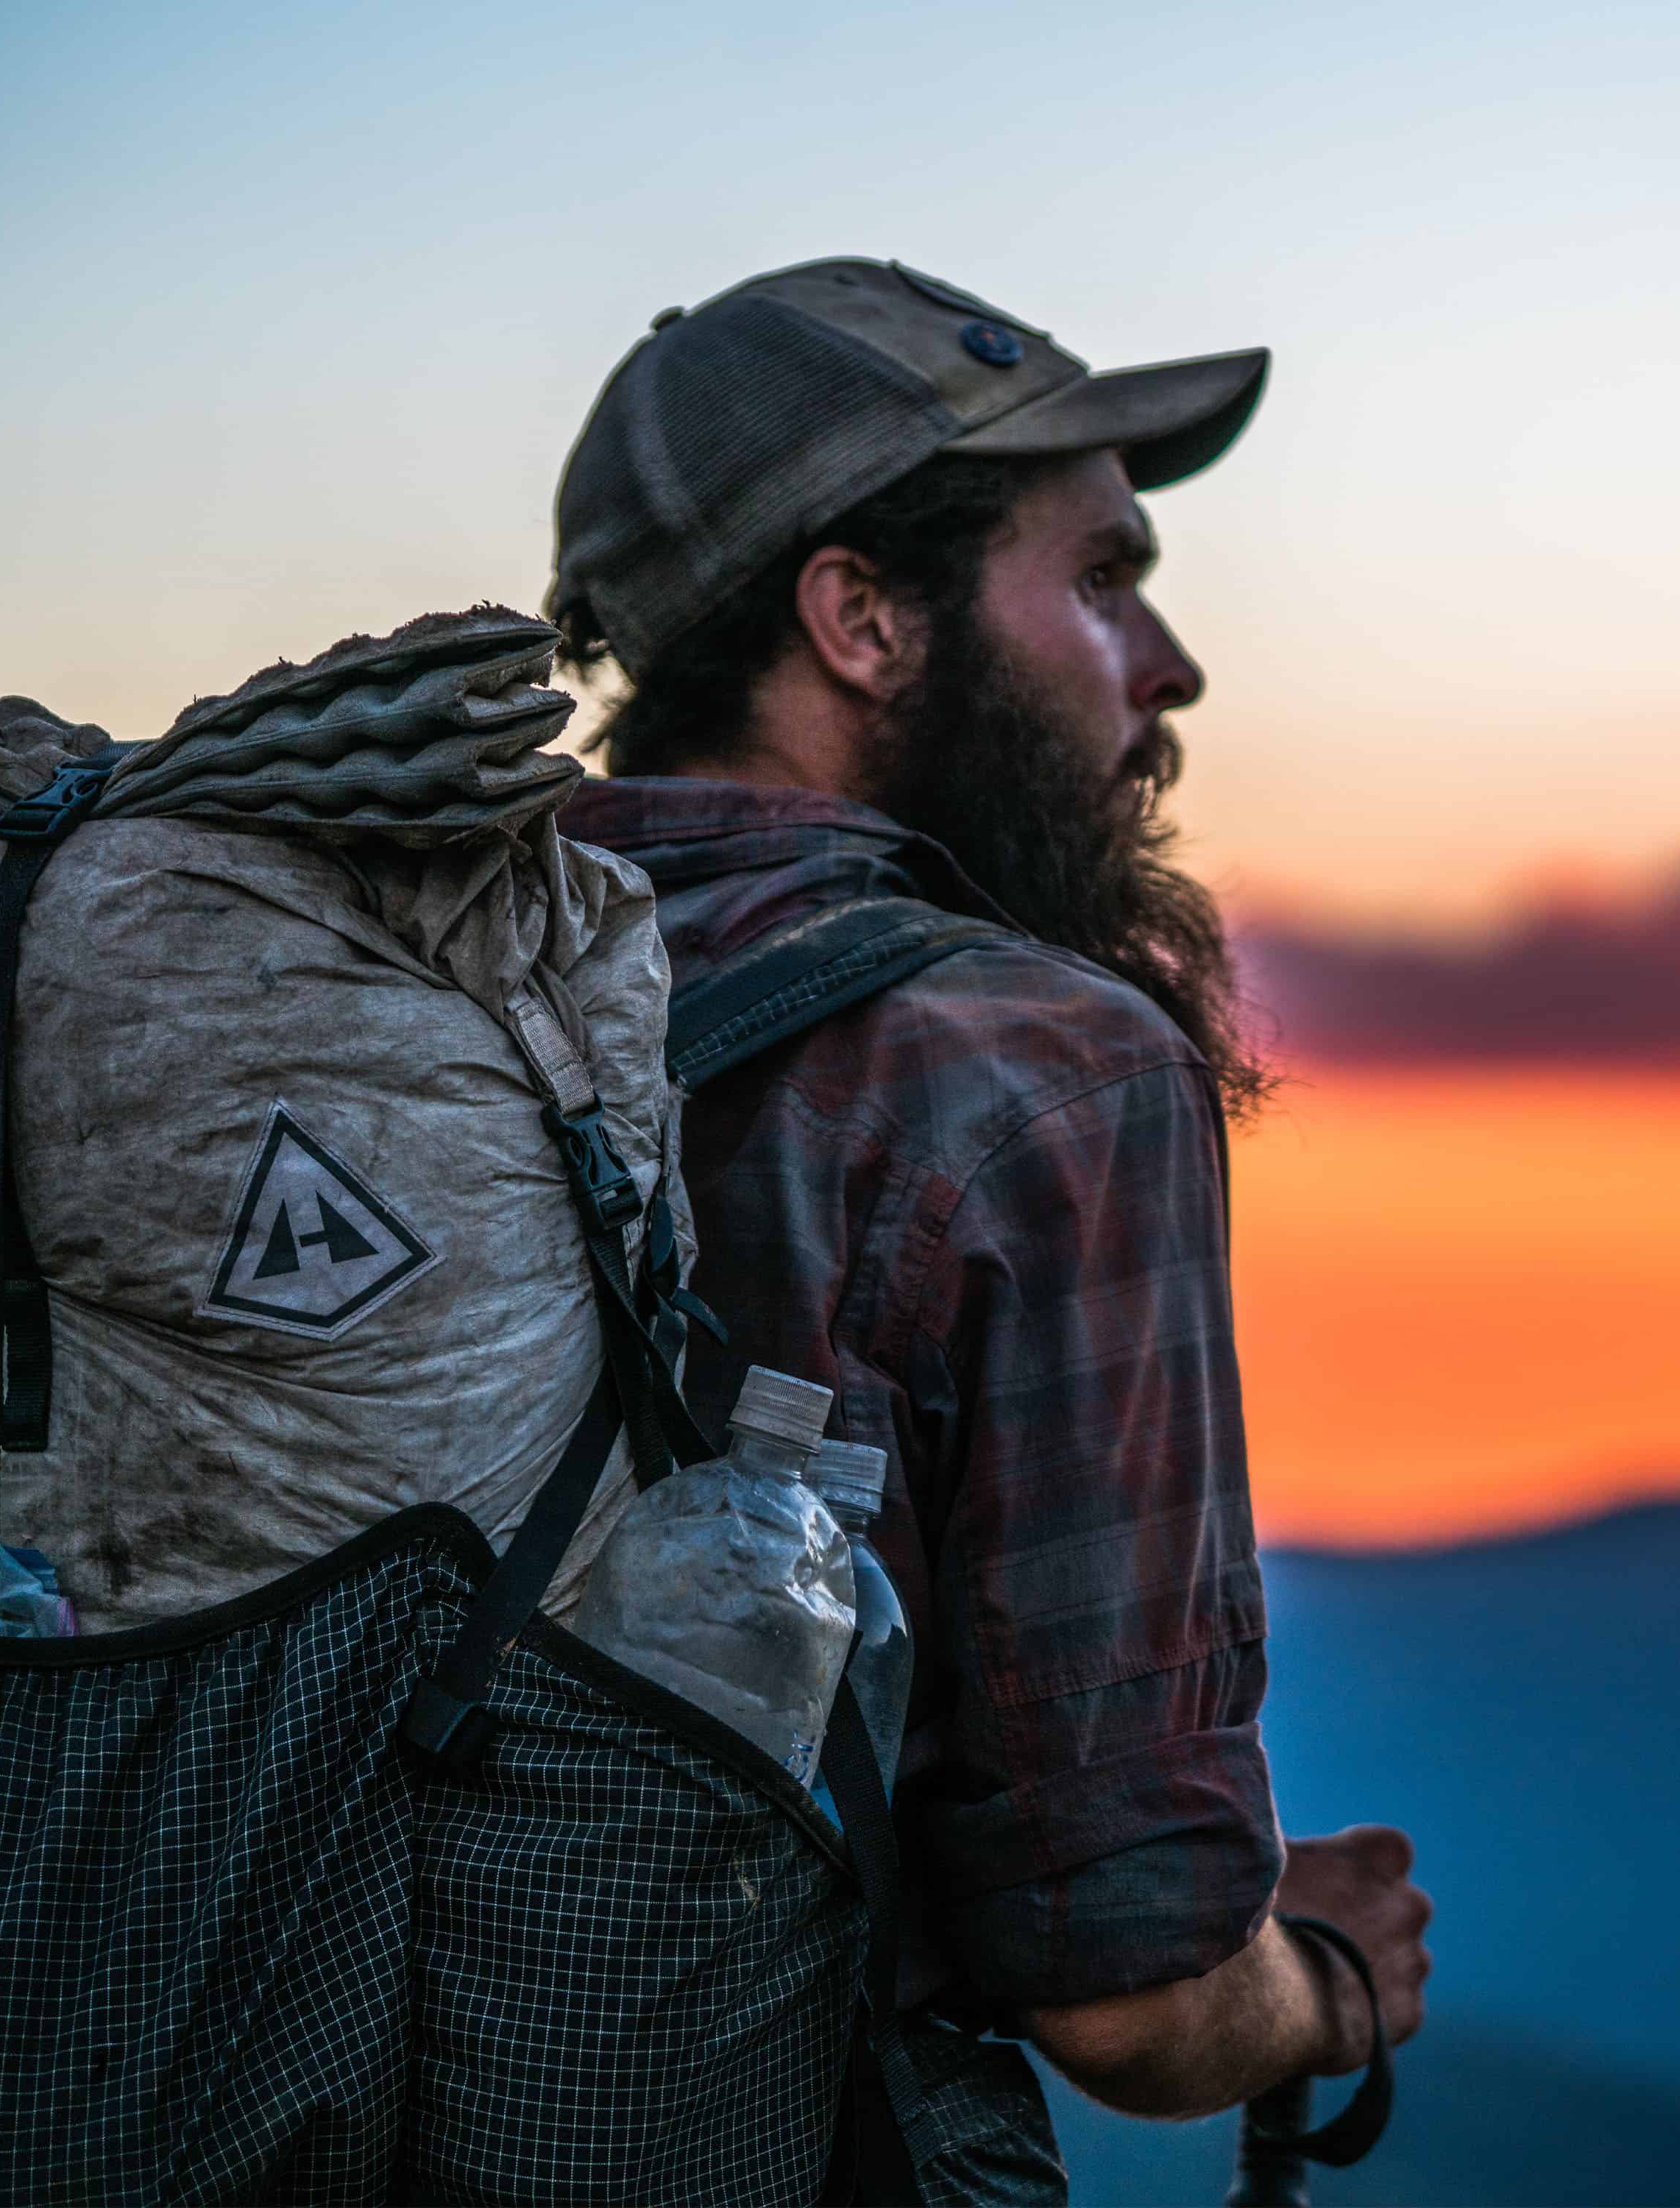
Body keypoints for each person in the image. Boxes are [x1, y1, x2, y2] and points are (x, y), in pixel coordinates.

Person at [551, 258, 1431, 2200]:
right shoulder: (1033, 1065)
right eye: (1104, 579)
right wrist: (1323, 1984)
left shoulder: (419, 1002)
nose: (1168, 664)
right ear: (862, 619)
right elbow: (1130, 2002)